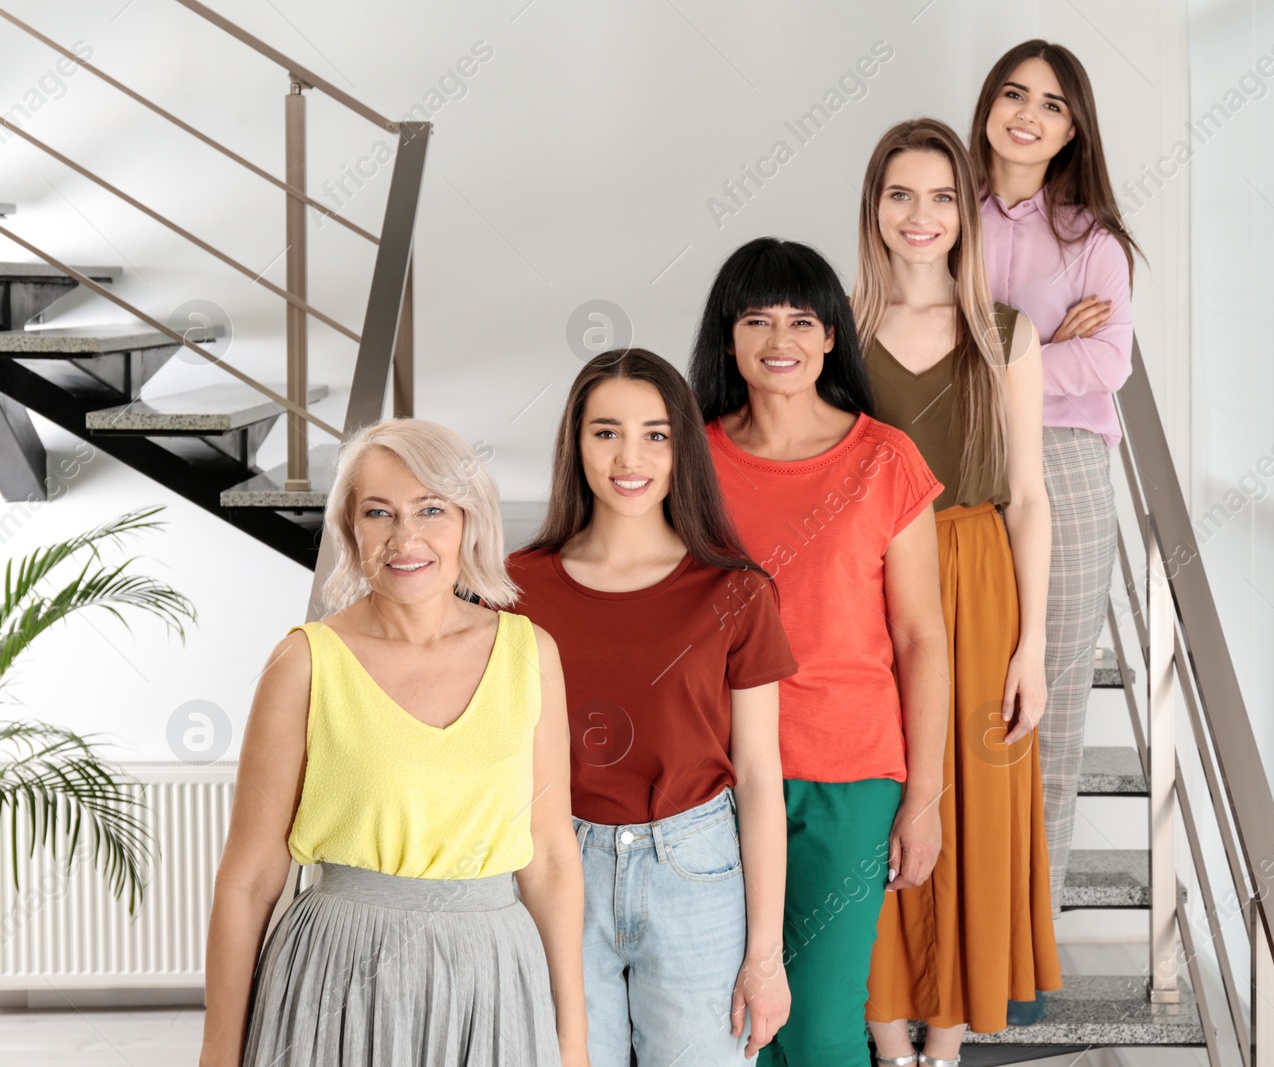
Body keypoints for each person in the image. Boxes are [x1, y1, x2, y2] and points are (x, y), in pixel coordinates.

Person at [199, 418, 586, 1067]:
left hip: (492, 977)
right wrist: (218, 1051)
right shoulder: (303, 663)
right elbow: (249, 878)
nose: (406, 537)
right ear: (351, 526)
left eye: (431, 508)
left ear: (470, 518)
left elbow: (549, 857)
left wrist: (572, 1040)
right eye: (379, 511)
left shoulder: (530, 654)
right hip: (335, 977)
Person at [493, 349, 796, 1066]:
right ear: (576, 442)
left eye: (655, 434)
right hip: (552, 866)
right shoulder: (512, 590)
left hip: (697, 873)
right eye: (606, 432)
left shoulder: (737, 592)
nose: (630, 456)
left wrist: (765, 954)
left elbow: (758, 778)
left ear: (681, 447)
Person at [689, 237, 950, 1067]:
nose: (781, 339)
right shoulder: (687, 460)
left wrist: (925, 796)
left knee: (824, 1024)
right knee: (725, 1020)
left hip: (850, 774)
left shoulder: (885, 460)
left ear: (832, 334)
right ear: (727, 336)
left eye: (803, 320)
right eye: (758, 319)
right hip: (715, 774)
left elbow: (921, 638)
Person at [854, 118, 1060, 1065]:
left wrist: (1034, 649)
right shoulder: (840, 330)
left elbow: (1027, 497)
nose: (922, 215)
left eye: (942, 196)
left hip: (980, 588)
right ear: (875, 208)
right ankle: (887, 1036)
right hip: (873, 584)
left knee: (970, 799)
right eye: (901, 195)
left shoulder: (1003, 332)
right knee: (884, 790)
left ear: (963, 213)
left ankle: (944, 1043)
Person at [971, 40, 1143, 925]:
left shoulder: (1093, 240)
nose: (1027, 114)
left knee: (1054, 700)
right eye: (1013, 93)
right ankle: (951, 928)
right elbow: (910, 355)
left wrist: (1001, 358)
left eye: (1051, 103)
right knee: (957, 689)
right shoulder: (939, 215)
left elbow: (1107, 360)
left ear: (1073, 128)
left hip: (1067, 470)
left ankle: (1027, 932)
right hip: (954, 466)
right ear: (990, 105)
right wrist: (1043, 343)